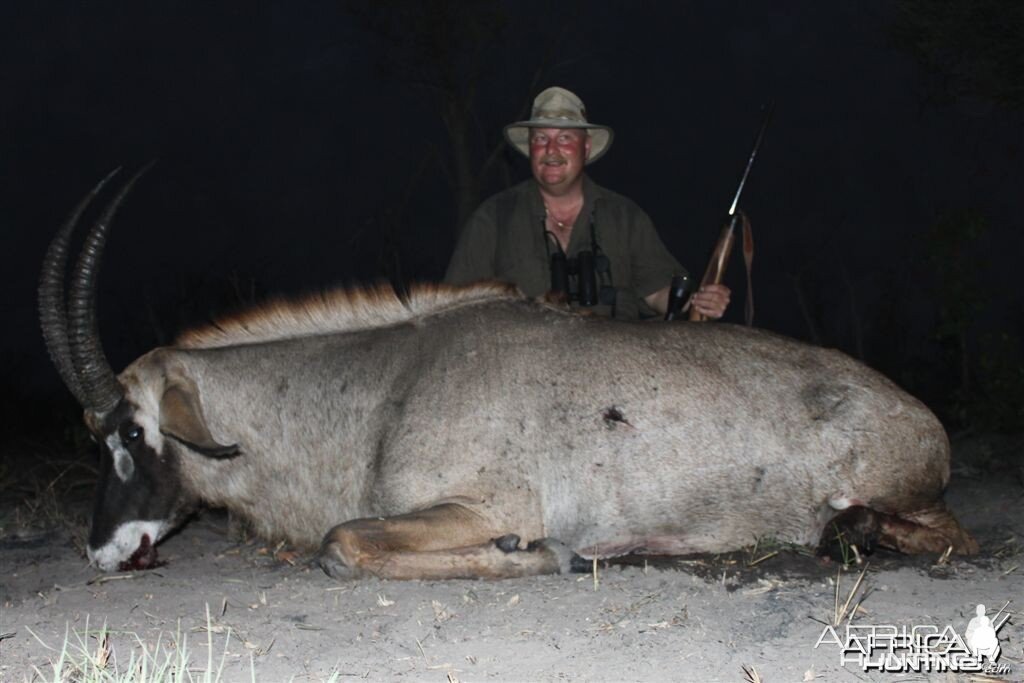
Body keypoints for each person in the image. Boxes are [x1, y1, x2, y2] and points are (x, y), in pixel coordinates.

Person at [444, 86, 730, 320]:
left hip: (615, 373)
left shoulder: (625, 217)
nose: (551, 150)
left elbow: (658, 293)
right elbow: (451, 309)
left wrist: (698, 301)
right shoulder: (493, 218)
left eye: (565, 138)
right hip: (521, 376)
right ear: (529, 148)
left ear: (586, 147)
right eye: (541, 138)